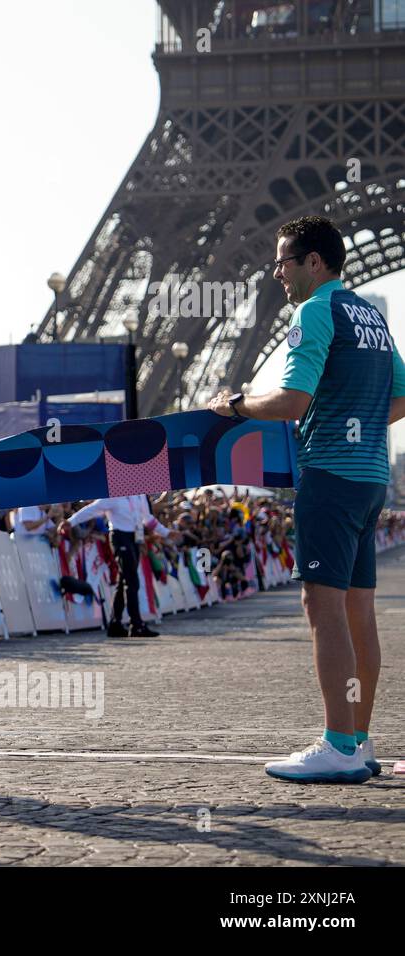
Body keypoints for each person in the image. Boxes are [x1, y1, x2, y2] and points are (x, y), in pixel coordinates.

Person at [206, 215, 405, 784]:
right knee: (358, 612)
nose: (277, 273)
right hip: (369, 481)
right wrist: (362, 425)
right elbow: (404, 393)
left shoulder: (314, 311)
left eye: (283, 262)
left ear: (313, 261)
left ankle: (338, 744)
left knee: (322, 609)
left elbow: (293, 402)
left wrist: (238, 404)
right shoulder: (369, 316)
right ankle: (360, 741)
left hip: (330, 479)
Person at [59, 495, 174, 638]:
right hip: (120, 537)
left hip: (135, 538)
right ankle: (136, 624)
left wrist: (167, 532)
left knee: (124, 581)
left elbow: (148, 518)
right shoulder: (114, 496)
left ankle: (115, 624)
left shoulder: (140, 496)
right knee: (132, 580)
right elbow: (92, 509)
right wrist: (71, 522)